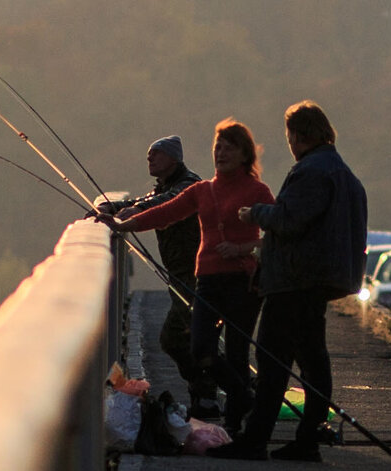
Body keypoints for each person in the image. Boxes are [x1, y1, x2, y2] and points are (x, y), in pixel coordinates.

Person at [209, 100, 367, 462]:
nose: (290, 144)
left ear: (298, 135)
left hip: (295, 282)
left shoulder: (311, 171)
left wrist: (256, 213)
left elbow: (290, 219)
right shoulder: (343, 173)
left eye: (290, 136)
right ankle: (306, 439)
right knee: (312, 359)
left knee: (271, 359)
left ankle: (255, 440)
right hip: (318, 281)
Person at [97, 119, 275, 431]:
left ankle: (235, 430)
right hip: (206, 279)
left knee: (235, 352)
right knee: (200, 347)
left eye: (229, 147)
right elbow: (164, 212)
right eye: (217, 147)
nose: (220, 152)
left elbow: (276, 235)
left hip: (242, 282)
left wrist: (244, 248)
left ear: (245, 154)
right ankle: (243, 396)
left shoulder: (257, 190)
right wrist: (123, 224)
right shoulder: (202, 190)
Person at [93, 135, 208, 413]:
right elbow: (147, 199)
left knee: (185, 337)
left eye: (156, 154)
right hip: (181, 274)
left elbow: (166, 203)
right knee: (186, 337)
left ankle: (212, 394)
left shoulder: (188, 184)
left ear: (173, 159)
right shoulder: (165, 186)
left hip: (197, 273)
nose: (150, 158)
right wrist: (115, 207)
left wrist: (133, 213)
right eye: (148, 154)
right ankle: (208, 394)